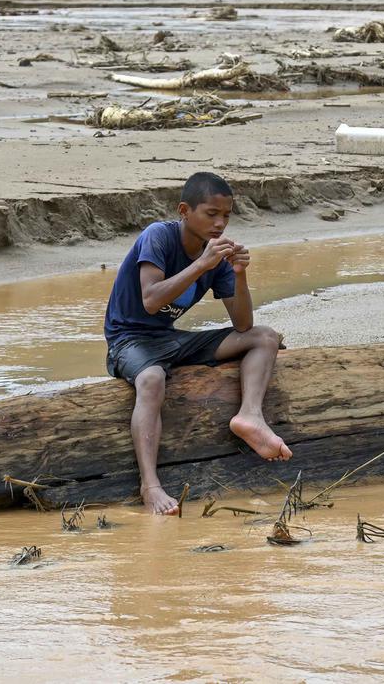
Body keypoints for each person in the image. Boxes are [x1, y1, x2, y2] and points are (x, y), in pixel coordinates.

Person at [104, 172, 293, 515]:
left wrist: (238, 273)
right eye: (211, 214)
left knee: (265, 337)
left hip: (169, 339)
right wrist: (202, 264)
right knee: (152, 379)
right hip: (128, 340)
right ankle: (150, 486)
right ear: (184, 211)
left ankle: (250, 416)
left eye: (226, 216)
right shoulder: (158, 237)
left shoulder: (216, 256)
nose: (220, 224)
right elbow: (150, 300)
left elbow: (243, 324)